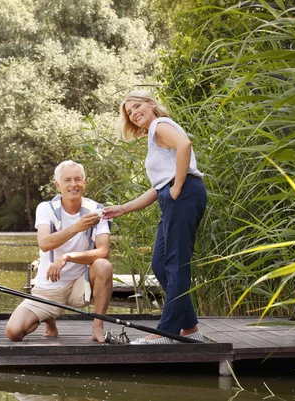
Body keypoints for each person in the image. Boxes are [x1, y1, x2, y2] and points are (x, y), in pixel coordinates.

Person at [103, 90, 207, 345]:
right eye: (129, 112)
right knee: (161, 263)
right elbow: (158, 187)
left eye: (137, 106)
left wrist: (178, 185)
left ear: (151, 104)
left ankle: (166, 333)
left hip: (183, 195)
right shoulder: (154, 133)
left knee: (176, 263)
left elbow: (185, 145)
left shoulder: (160, 125)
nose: (134, 113)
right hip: (174, 197)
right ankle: (190, 328)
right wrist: (123, 208)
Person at [6, 160, 113, 343]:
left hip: (81, 284)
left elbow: (103, 251)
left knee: (103, 265)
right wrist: (77, 227)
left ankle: (97, 327)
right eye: (68, 180)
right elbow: (45, 243)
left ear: (84, 182)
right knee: (14, 332)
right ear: (58, 185)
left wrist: (67, 257)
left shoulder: (97, 210)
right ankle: (49, 320)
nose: (74, 184)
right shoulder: (45, 208)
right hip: (49, 288)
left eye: (78, 179)